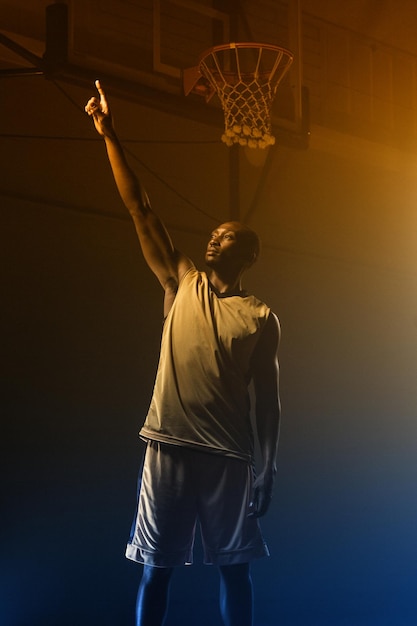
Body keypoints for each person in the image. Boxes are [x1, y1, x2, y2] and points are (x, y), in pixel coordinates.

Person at [85, 80, 281, 626]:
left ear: (249, 253)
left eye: (229, 235)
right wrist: (109, 133)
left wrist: (268, 468)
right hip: (167, 445)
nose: (216, 238)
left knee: (235, 571)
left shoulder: (261, 317)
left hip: (228, 456)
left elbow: (268, 403)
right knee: (156, 569)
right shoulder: (181, 278)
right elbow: (140, 208)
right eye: (214, 233)